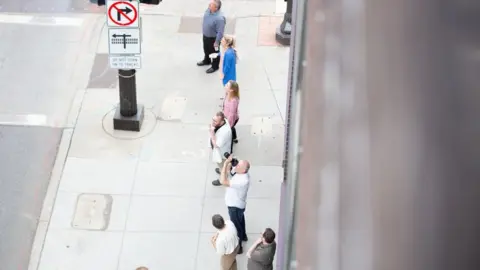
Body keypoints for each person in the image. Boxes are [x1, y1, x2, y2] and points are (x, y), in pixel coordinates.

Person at [213, 154, 251, 254]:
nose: (236, 166)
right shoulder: (241, 173)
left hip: (235, 206)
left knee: (236, 226)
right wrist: (231, 165)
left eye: (238, 165)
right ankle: (244, 236)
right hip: (238, 205)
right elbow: (232, 172)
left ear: (243, 170)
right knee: (241, 221)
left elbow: (223, 181)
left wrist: (225, 164)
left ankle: (239, 247)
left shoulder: (243, 180)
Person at [197, 0, 226, 74]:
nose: (209, 5)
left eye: (211, 5)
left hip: (213, 39)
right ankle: (207, 60)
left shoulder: (219, 19)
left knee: (214, 53)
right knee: (206, 49)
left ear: (216, 8)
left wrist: (217, 42)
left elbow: (220, 32)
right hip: (206, 36)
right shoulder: (208, 11)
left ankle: (215, 66)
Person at [223, 80, 240, 146]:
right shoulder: (227, 94)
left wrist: (228, 124)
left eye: (227, 85)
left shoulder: (233, 101)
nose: (225, 85)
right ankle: (234, 138)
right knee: (232, 128)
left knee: (230, 129)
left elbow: (232, 114)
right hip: (226, 117)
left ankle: (231, 141)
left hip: (231, 119)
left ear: (231, 90)